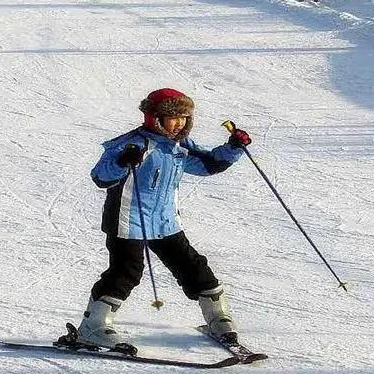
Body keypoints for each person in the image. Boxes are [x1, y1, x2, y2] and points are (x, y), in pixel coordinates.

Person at [75, 88, 252, 350]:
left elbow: (208, 164)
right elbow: (101, 177)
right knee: (126, 272)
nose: (179, 122)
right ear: (154, 118)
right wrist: (124, 162)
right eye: (173, 117)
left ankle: (218, 317)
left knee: (194, 267)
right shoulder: (132, 144)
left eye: (184, 117)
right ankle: (93, 327)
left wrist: (233, 148)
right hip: (128, 220)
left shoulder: (179, 147)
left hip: (165, 221)